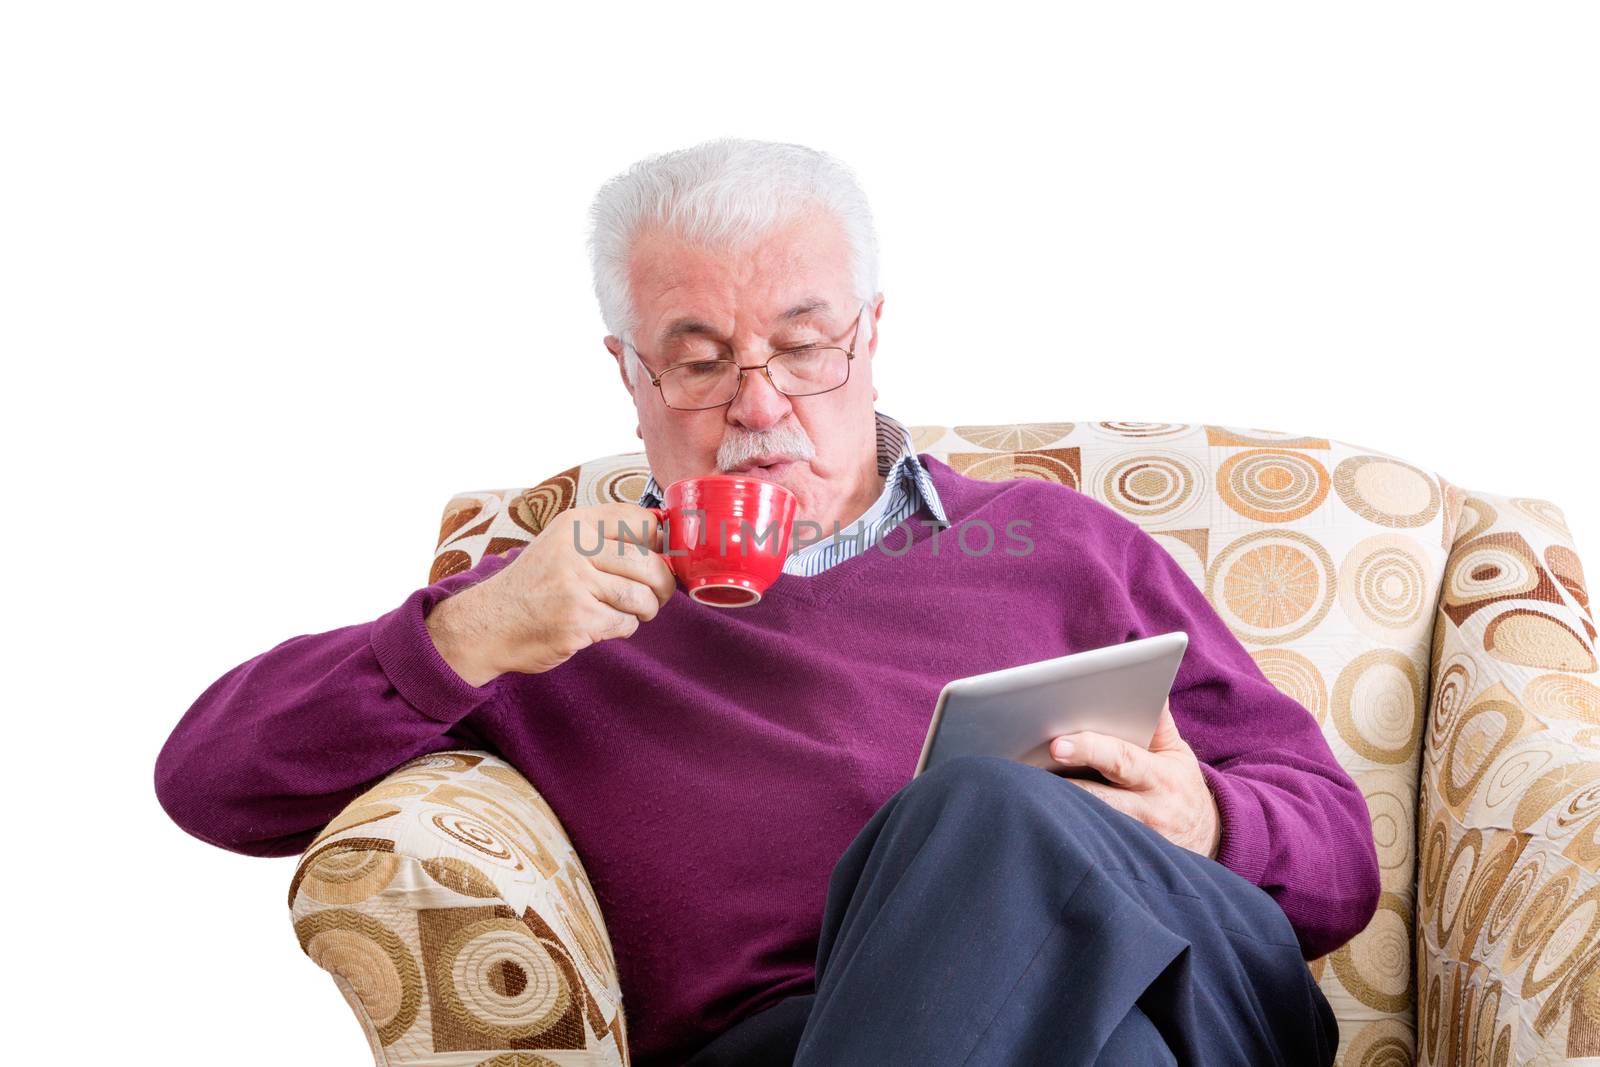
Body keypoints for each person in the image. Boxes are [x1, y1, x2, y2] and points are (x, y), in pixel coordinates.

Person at [154, 137, 1380, 1066]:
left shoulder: (1065, 547)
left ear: (871, 333)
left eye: (802, 346)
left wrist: (1210, 820)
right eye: (698, 361)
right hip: (801, 1040)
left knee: (983, 813)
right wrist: (468, 632)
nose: (759, 405)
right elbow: (210, 778)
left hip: (1190, 982)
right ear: (628, 377)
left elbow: (1338, 865)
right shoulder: (558, 606)